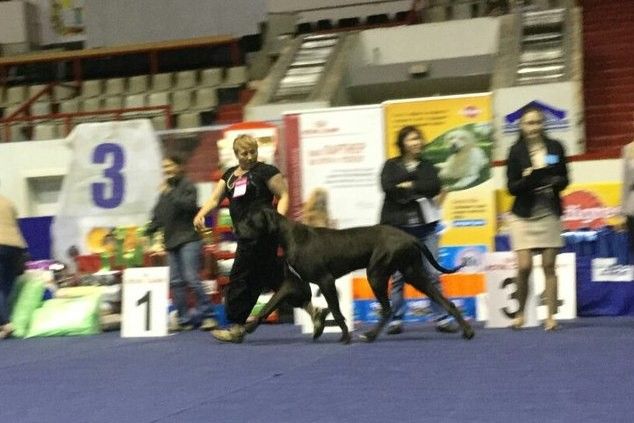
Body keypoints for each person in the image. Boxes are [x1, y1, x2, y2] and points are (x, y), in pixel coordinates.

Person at [194, 134, 328, 343]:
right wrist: (200, 214)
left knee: (240, 278)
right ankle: (314, 311)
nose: (249, 156)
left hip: (263, 234)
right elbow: (214, 199)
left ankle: (237, 328)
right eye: (244, 153)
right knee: (275, 276)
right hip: (245, 235)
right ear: (236, 154)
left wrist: (277, 222)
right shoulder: (229, 176)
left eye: (253, 152)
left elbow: (284, 195)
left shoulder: (267, 171)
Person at [379, 125, 459, 335]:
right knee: (398, 276)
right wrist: (416, 187)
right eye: (411, 139)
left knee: (432, 273)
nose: (416, 142)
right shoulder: (391, 165)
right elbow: (387, 187)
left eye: (418, 139)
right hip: (398, 231)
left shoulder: (427, 165)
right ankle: (396, 319)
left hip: (426, 228)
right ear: (402, 143)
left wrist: (408, 186)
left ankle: (442, 318)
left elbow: (433, 187)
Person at [506, 105, 569, 331]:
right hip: (523, 214)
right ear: (522, 126)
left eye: (538, 122)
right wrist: (527, 180)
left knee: (549, 265)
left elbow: (565, 179)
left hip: (549, 212)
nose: (534, 127)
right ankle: (520, 314)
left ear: (544, 124)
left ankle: (551, 317)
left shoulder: (555, 147)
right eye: (529, 123)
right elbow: (511, 187)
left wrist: (553, 180)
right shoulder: (515, 151)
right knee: (524, 266)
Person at [146, 154, 217, 332]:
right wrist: (149, 230)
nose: (167, 170)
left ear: (179, 167)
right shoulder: (164, 192)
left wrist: (169, 193)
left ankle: (208, 316)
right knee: (176, 282)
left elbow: (189, 206)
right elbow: (159, 215)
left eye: (170, 166)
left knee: (192, 278)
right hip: (171, 242)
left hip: (189, 240)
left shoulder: (188, 186)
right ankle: (184, 319)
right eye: (165, 168)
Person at [0, 191, 28, 339]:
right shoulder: (7, 201)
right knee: (5, 287)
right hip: (16, 247)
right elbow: (16, 224)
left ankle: (5, 323)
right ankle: (5, 322)